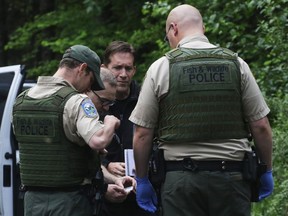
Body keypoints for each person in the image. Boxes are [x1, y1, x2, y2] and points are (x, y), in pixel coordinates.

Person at [129, 4, 274, 216]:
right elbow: (260, 126)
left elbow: (142, 134)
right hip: (232, 180)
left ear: (174, 28)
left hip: (181, 183)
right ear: (203, 28)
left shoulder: (161, 67)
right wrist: (266, 170)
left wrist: (142, 179)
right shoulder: (237, 64)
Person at [12, 45, 133, 216]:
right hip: (69, 202)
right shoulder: (76, 101)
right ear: (82, 69)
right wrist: (110, 123)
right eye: (91, 81)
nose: (87, 89)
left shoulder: (22, 100)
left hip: (32, 201)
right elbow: (99, 140)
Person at [100, 41, 152, 216]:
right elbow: (81, 150)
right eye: (117, 68)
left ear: (134, 70)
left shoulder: (146, 100)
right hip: (107, 196)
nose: (123, 74)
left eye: (128, 69)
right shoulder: (93, 103)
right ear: (104, 68)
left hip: (142, 192)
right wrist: (107, 166)